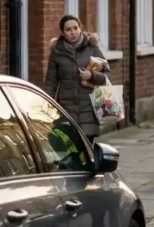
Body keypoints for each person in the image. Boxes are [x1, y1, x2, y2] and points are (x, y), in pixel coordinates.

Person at [43, 14, 111, 145]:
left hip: (88, 109)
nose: (73, 32)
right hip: (66, 109)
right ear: (63, 33)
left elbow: (107, 76)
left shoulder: (92, 49)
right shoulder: (57, 52)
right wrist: (47, 107)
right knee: (69, 150)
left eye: (75, 28)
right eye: (68, 30)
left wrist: (92, 75)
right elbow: (50, 83)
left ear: (80, 28)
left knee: (86, 149)